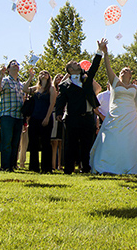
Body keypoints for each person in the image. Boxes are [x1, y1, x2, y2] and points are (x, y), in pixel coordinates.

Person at [89, 41, 137, 175]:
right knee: (112, 140)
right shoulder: (115, 82)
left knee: (132, 141)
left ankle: (135, 165)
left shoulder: (135, 88)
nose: (124, 70)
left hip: (131, 117)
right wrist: (105, 52)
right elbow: (107, 66)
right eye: (122, 70)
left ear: (131, 74)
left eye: (127, 69)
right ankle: (108, 165)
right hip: (116, 116)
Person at [55, 39, 106, 174]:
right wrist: (59, 113)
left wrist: (99, 51)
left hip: (88, 117)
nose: (78, 63)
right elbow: (60, 100)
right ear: (70, 70)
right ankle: (69, 169)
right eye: (74, 63)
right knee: (70, 145)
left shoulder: (86, 78)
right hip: (72, 118)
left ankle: (86, 168)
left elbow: (94, 66)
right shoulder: (64, 85)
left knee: (87, 144)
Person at [0, 60, 32, 172]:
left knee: (15, 143)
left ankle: (12, 166)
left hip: (18, 116)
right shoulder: (5, 80)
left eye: (17, 64)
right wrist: (1, 75)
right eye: (13, 64)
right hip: (7, 115)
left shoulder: (21, 84)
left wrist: (31, 77)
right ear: (8, 69)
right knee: (6, 142)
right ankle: (5, 166)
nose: (16, 65)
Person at [26, 70, 57, 173]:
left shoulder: (51, 89)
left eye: (46, 73)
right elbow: (24, 89)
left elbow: (52, 103)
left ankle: (46, 168)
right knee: (33, 143)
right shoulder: (36, 89)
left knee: (45, 143)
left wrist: (47, 118)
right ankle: (34, 167)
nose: (43, 74)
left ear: (49, 76)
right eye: (41, 73)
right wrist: (30, 77)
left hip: (46, 118)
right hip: (34, 118)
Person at [50, 74, 66, 172]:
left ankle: (60, 165)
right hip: (54, 114)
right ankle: (53, 165)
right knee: (54, 141)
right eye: (57, 78)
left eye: (61, 78)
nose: (59, 79)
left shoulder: (65, 89)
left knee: (61, 142)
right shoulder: (52, 90)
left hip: (64, 115)